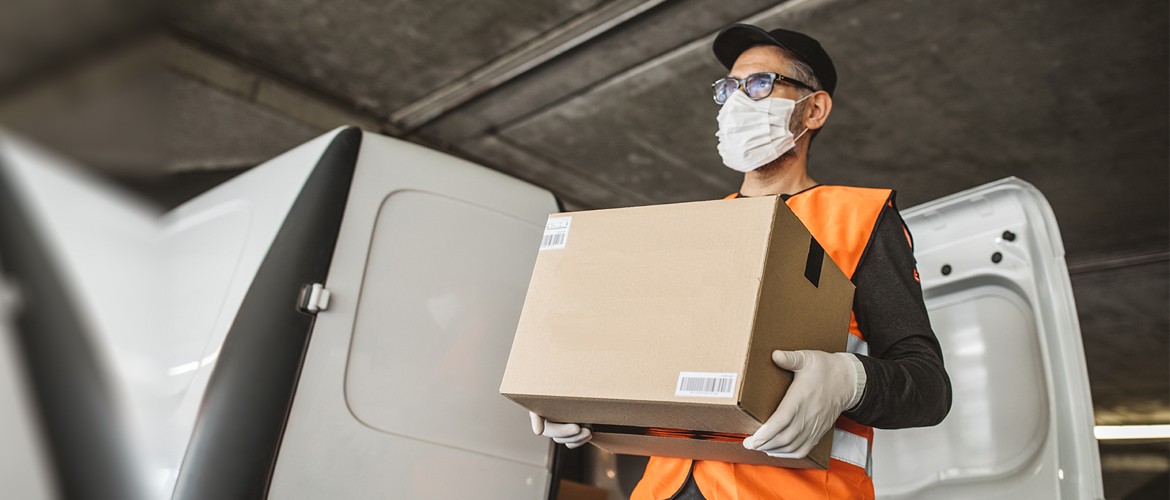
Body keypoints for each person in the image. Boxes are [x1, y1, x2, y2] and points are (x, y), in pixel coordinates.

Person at [530, 23, 952, 500]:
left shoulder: (859, 217)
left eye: (758, 85)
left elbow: (928, 388)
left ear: (813, 109)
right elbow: (654, 366)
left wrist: (849, 380)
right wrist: (580, 400)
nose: (735, 102)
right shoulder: (695, 232)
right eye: (727, 89)